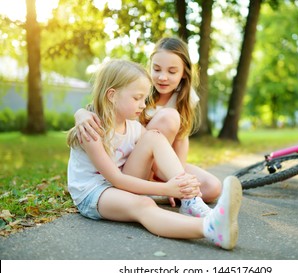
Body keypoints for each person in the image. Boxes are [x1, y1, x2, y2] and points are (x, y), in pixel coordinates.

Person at [67, 59, 242, 250]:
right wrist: (168, 189)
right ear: (112, 95)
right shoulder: (91, 130)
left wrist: (183, 185)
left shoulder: (132, 126)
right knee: (143, 204)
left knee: (155, 136)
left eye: (145, 98)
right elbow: (116, 179)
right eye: (137, 98)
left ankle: (190, 200)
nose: (143, 105)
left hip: (119, 185)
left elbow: (160, 150)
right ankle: (211, 228)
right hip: (94, 193)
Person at [74, 37, 222, 214]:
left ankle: (168, 193)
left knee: (212, 187)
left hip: (161, 163)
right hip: (132, 164)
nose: (163, 77)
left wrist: (180, 179)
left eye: (172, 71)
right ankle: (153, 190)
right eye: (156, 69)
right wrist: (80, 113)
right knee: (168, 117)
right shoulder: (140, 87)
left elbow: (181, 140)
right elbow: (103, 105)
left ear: (184, 73)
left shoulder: (185, 98)